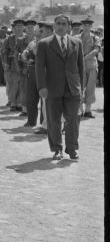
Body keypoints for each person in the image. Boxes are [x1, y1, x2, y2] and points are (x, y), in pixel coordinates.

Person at [36, 14, 84, 161]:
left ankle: (72, 148)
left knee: (73, 119)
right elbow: (39, 68)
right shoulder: (44, 44)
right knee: (53, 120)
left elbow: (80, 68)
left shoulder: (77, 42)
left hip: (72, 88)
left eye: (64, 24)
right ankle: (57, 149)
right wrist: (42, 87)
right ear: (54, 25)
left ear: (69, 26)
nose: (61, 26)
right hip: (52, 88)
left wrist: (81, 88)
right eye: (58, 23)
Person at [21, 22, 52, 128]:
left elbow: (36, 53)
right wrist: (24, 56)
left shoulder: (49, 42)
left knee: (44, 97)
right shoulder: (33, 42)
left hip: (45, 72)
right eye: (38, 30)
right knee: (31, 97)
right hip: (32, 71)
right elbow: (26, 54)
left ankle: (45, 123)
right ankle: (31, 120)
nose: (37, 32)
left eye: (40, 30)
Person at [2, 19, 26, 112]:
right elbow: (4, 51)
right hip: (12, 65)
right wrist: (6, 62)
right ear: (14, 28)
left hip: (23, 65)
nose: (19, 28)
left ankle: (20, 103)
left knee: (22, 85)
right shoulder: (9, 39)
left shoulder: (26, 38)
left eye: (21, 26)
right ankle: (13, 103)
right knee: (13, 84)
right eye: (17, 26)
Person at [79, 17, 100, 118]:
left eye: (88, 25)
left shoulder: (95, 38)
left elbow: (96, 50)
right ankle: (79, 110)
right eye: (85, 25)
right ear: (82, 26)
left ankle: (88, 110)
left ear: (91, 26)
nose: (86, 27)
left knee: (90, 88)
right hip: (79, 67)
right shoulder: (76, 37)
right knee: (79, 88)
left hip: (91, 65)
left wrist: (84, 58)